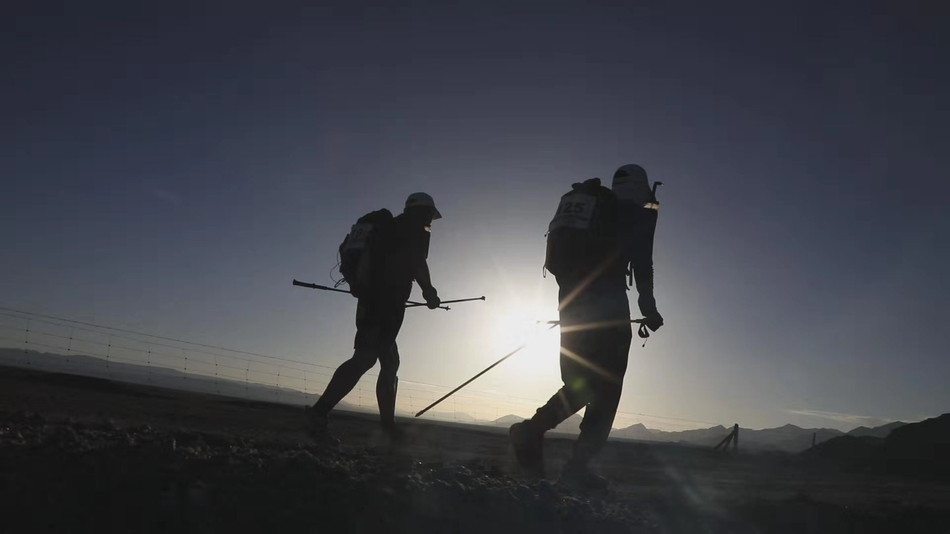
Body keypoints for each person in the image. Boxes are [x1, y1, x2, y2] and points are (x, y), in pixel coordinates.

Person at [509, 165, 664, 486]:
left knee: (581, 381)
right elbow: (643, 263)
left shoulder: (592, 208)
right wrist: (649, 310)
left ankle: (533, 432)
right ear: (642, 188)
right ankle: (575, 464)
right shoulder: (633, 213)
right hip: (608, 301)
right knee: (608, 386)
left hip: (570, 300)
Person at [306, 192, 443, 440]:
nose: (430, 221)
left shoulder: (390, 229)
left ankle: (387, 426)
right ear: (422, 211)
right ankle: (318, 412)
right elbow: (417, 263)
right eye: (429, 215)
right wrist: (429, 291)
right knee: (365, 359)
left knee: (389, 362)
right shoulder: (411, 229)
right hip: (385, 304)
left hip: (373, 300)